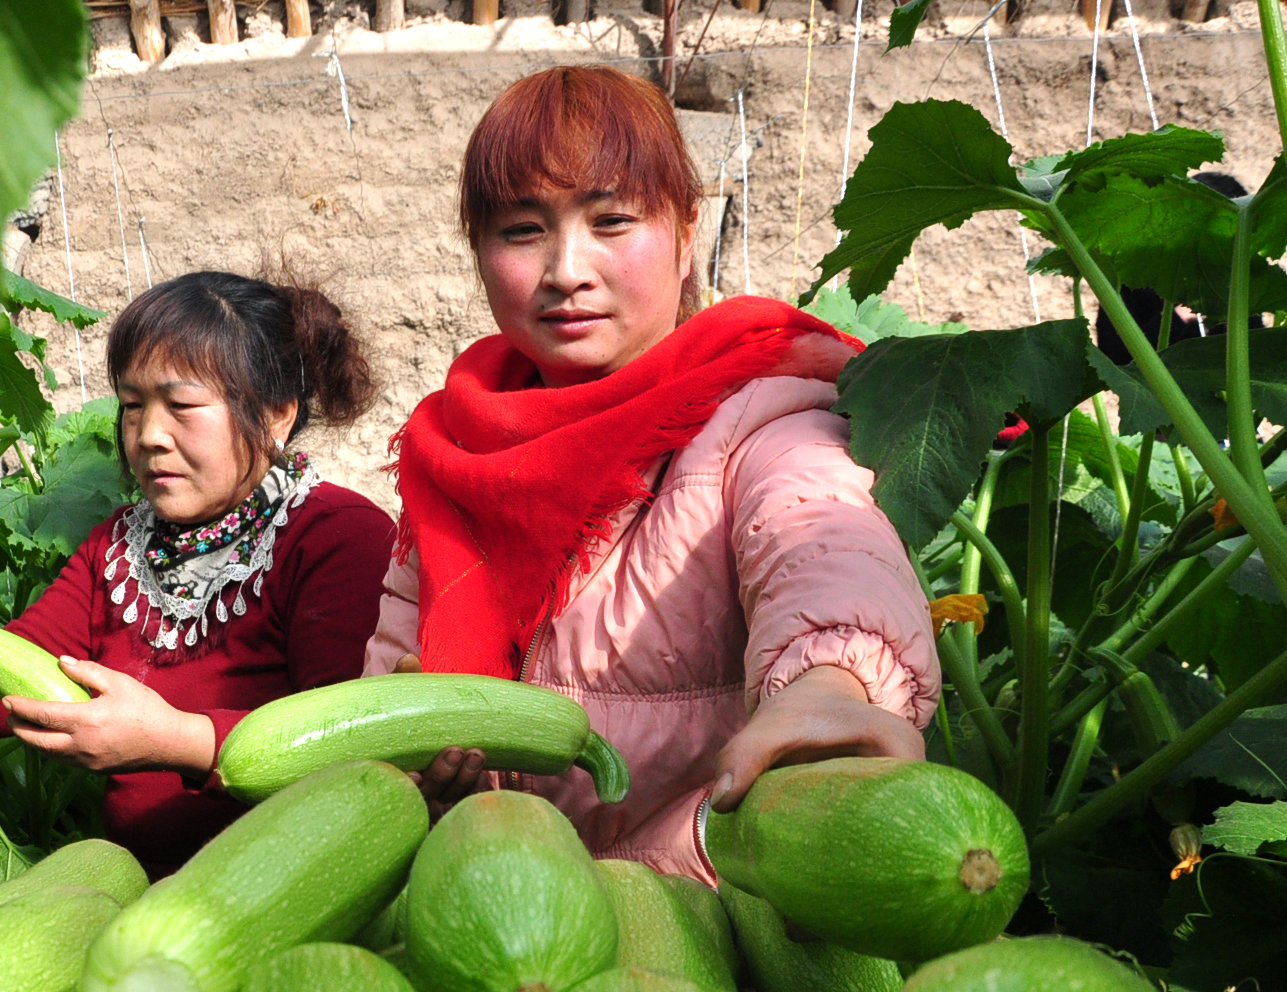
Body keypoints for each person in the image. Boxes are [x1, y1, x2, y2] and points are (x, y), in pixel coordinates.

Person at [366, 65, 941, 883]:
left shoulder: (759, 416)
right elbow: (388, 691)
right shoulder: (455, 453)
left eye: (611, 220)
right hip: (498, 907)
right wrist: (414, 776)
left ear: (686, 232)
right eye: (522, 231)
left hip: (708, 905)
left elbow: (820, 537)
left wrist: (831, 681)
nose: (568, 268)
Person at [0, 271, 393, 871]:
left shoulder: (337, 535)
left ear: (275, 416)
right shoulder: (118, 544)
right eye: (133, 406)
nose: (149, 435)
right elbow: (9, 685)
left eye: (182, 405)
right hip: (138, 892)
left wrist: (172, 740)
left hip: (286, 882)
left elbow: (344, 742)